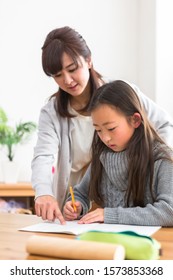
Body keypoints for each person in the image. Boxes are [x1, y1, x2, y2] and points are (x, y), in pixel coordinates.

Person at [31, 26, 173, 224]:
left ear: (88, 60)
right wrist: (44, 193)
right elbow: (43, 157)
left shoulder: (121, 94)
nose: (67, 80)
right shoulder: (53, 113)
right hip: (85, 204)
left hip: (133, 205)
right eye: (57, 75)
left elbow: (164, 124)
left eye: (72, 69)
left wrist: (147, 161)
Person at [63, 80, 173, 226]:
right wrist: (76, 205)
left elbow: (168, 211)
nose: (105, 138)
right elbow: (80, 193)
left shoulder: (161, 158)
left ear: (135, 120)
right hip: (112, 244)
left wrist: (109, 215)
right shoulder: (102, 157)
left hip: (151, 244)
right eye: (98, 130)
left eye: (111, 128)